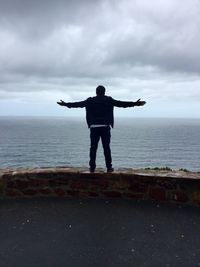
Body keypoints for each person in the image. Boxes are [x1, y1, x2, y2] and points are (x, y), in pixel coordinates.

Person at [57, 85, 146, 173]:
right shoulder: (109, 100)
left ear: (96, 92)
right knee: (106, 148)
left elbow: (78, 104)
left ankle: (92, 168)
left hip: (94, 128)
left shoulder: (90, 101)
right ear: (104, 92)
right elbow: (121, 104)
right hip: (105, 127)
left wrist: (65, 104)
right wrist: (135, 103)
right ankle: (109, 167)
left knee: (93, 148)